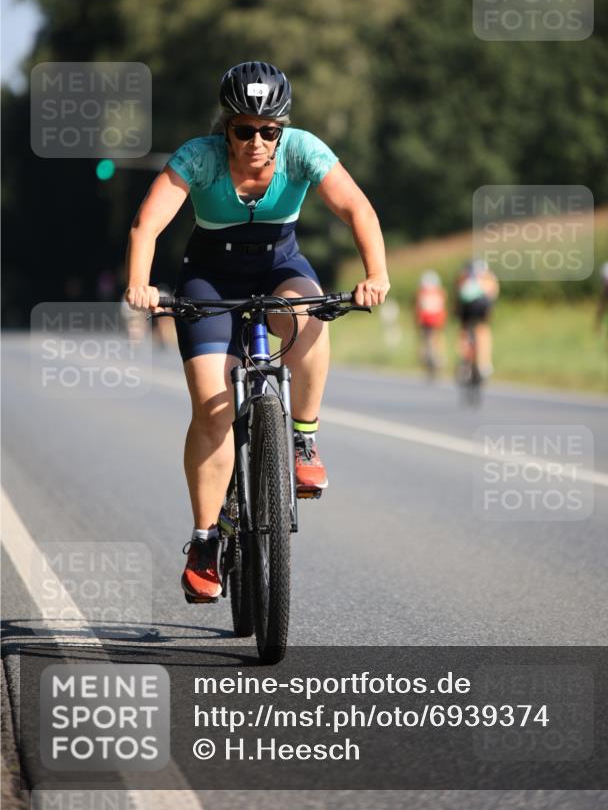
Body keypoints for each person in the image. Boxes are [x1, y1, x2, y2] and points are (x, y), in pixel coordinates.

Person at [124, 61, 390, 602]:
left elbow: (358, 209)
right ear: (225, 127)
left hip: (279, 266)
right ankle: (204, 542)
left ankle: (304, 440)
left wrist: (376, 274)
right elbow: (147, 223)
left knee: (307, 314)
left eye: (269, 130)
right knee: (211, 406)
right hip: (208, 277)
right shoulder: (198, 158)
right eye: (243, 129)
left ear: (282, 129)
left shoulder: (303, 151)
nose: (256, 141)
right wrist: (139, 284)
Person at [454, 259, 499, 378]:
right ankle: (484, 363)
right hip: (483, 306)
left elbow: (458, 296)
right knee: (483, 330)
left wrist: (456, 313)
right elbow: (493, 296)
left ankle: (465, 363)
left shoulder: (463, 275)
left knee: (464, 331)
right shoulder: (489, 276)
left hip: (466, 308)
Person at [414, 270, 447, 378]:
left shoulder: (421, 292)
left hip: (425, 320)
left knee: (424, 339)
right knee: (437, 338)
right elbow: (443, 308)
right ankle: (438, 358)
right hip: (437, 321)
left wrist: (416, 321)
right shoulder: (440, 292)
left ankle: (425, 357)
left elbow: (417, 309)